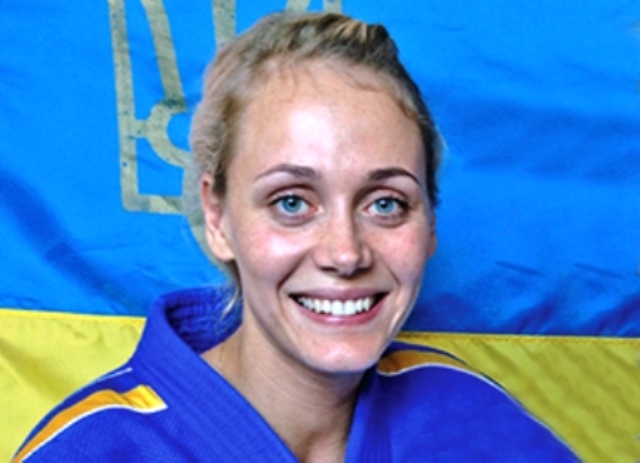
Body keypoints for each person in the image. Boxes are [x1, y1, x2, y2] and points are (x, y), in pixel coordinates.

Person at [13, 11, 578, 462]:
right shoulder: (93, 448)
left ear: (430, 219)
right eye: (291, 203)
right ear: (217, 217)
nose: (345, 253)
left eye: (386, 203)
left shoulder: (469, 413)